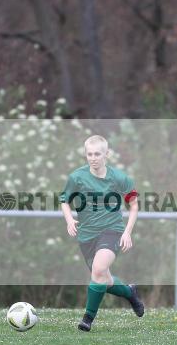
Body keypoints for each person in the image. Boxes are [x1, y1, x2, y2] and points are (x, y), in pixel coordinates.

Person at [59, 135, 143, 331]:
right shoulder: (76, 178)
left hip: (112, 231)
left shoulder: (120, 178)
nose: (93, 158)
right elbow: (64, 201)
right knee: (103, 278)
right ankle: (130, 292)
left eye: (97, 154)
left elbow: (133, 204)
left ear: (107, 154)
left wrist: (127, 232)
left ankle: (87, 319)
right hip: (86, 235)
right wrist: (70, 220)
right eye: (89, 154)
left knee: (98, 270)